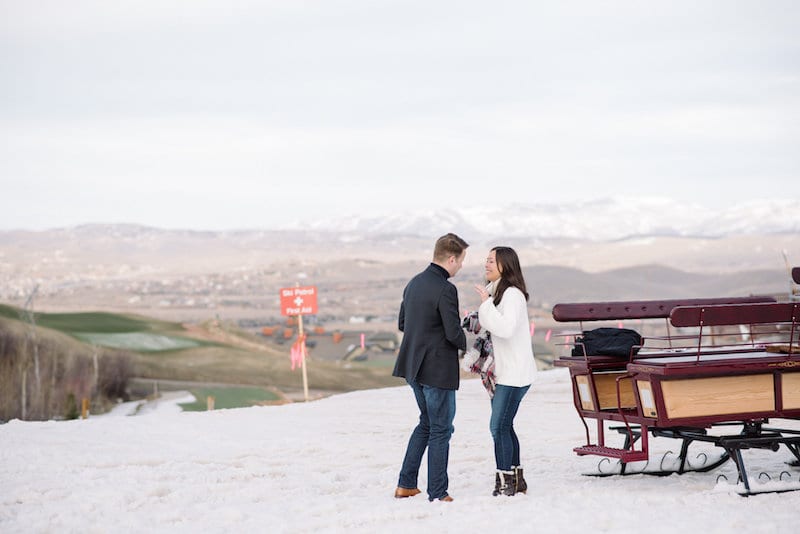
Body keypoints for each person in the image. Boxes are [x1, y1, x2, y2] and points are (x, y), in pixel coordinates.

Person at [393, 233, 469, 502]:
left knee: (426, 424)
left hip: (412, 367)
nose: (461, 266)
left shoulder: (414, 283)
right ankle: (438, 492)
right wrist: (468, 340)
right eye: (460, 260)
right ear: (451, 258)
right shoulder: (446, 289)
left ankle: (406, 484)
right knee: (441, 429)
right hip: (437, 370)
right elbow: (452, 333)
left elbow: (403, 323)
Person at [473, 246, 537, 496]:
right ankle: (517, 479)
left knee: (498, 427)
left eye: (492, 261)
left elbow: (506, 329)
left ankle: (505, 482)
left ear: (505, 265)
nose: (486, 264)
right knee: (505, 426)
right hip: (505, 372)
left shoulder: (511, 295)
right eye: (486, 260)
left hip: (514, 374)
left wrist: (486, 306)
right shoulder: (498, 293)